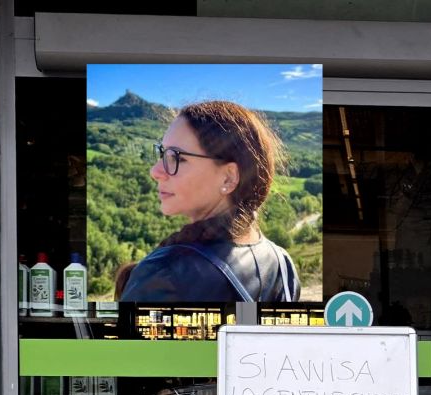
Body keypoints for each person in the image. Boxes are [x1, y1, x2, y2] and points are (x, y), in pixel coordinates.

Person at [120, 100, 301, 302]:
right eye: (162, 153)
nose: (155, 171)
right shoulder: (283, 265)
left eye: (177, 158)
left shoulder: (165, 275)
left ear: (229, 178)